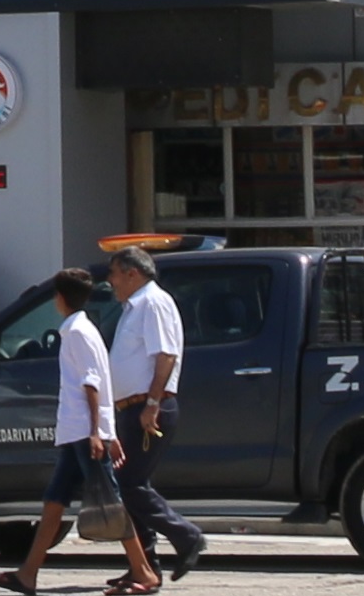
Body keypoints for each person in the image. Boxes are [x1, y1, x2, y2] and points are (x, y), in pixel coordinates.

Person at [0, 268, 117, 595]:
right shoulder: (81, 328)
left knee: (110, 500)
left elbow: (91, 382)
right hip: (74, 433)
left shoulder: (76, 331)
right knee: (54, 501)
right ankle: (28, 573)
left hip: (83, 433)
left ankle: (142, 569)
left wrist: (97, 432)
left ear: (59, 298)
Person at [102, 247, 203, 588]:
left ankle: (187, 536)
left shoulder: (153, 303)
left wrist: (153, 403)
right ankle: (145, 567)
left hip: (149, 408)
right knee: (128, 487)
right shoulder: (133, 307)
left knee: (130, 484)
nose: (110, 281)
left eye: (114, 273)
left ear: (132, 273)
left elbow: (166, 355)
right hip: (131, 408)